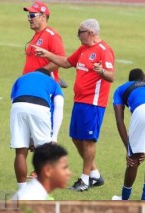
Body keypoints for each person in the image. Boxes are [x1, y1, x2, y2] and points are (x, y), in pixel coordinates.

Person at [34, 18, 114, 192]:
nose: (78, 36)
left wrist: (102, 72)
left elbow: (111, 76)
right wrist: (47, 54)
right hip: (79, 101)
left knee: (88, 141)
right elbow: (66, 62)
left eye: (80, 33)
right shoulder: (83, 49)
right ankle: (95, 174)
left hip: (93, 103)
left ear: (91, 33)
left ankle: (85, 180)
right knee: (76, 138)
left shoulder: (104, 51)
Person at [111, 68, 145, 200]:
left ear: (131, 81)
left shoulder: (121, 89)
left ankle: (124, 199)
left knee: (133, 158)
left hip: (142, 111)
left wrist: (128, 148)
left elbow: (119, 120)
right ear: (144, 79)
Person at [10, 69, 64, 189]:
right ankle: (42, 192)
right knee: (45, 153)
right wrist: (54, 137)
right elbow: (59, 106)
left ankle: (22, 191)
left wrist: (29, 139)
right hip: (40, 106)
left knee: (20, 152)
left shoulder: (21, 78)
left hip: (17, 107)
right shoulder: (53, 82)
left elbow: (13, 101)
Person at [22, 1, 68, 88]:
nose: (29, 19)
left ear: (43, 17)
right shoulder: (37, 35)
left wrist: (41, 71)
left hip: (44, 85)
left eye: (32, 16)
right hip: (31, 83)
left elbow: (61, 60)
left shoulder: (52, 35)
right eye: (29, 15)